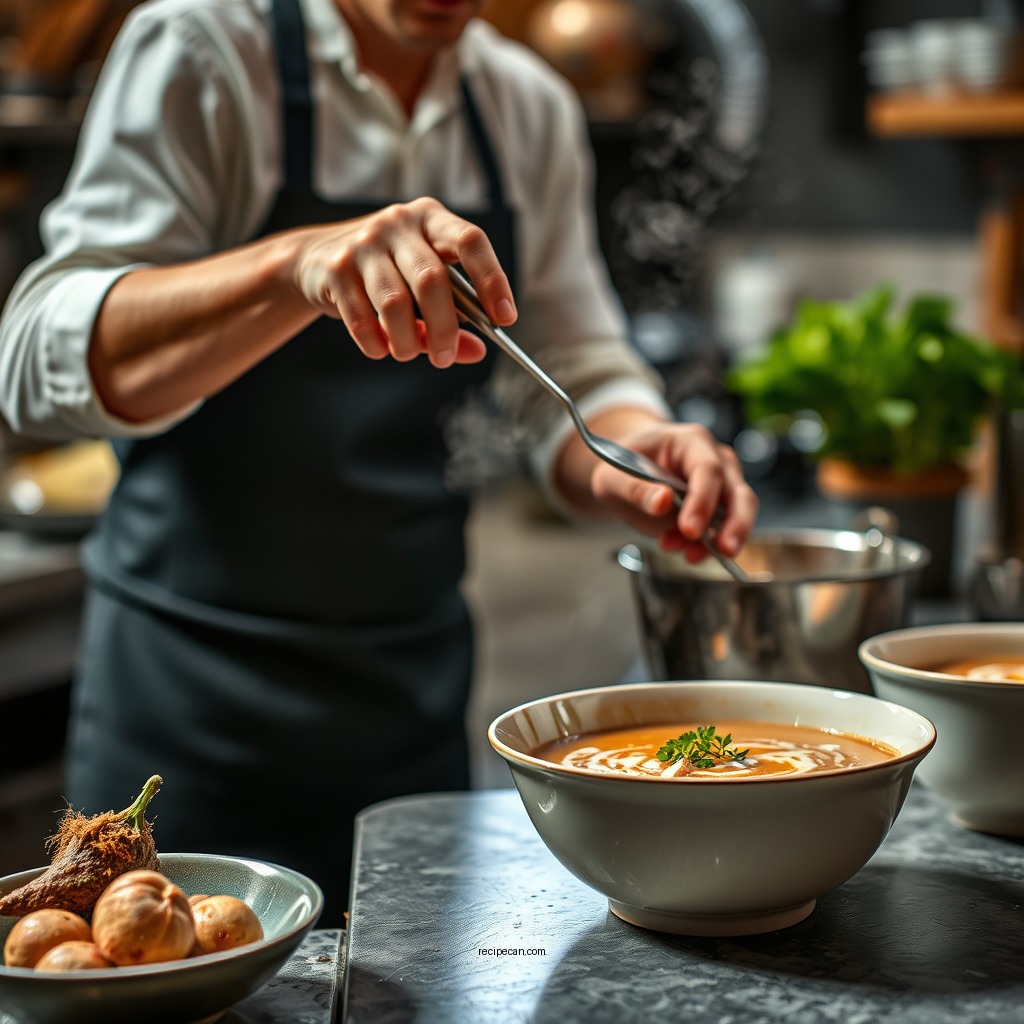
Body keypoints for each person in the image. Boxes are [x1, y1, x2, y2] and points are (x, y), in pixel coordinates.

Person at [0, 0, 757, 925]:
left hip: (408, 707)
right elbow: (34, 358)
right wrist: (291, 267)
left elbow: (572, 372)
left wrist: (631, 446)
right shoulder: (203, 48)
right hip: (188, 707)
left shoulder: (525, 103)